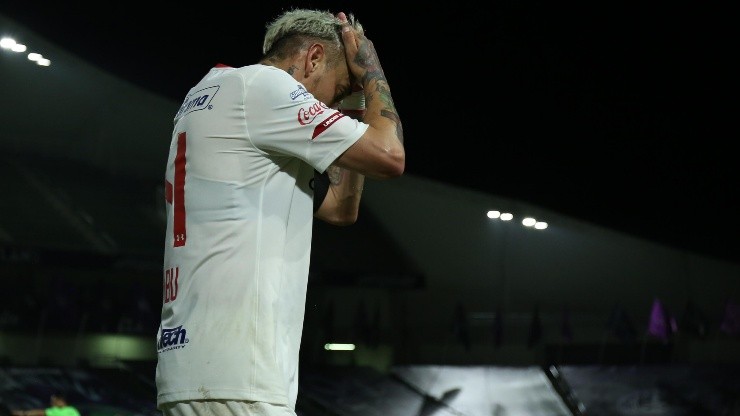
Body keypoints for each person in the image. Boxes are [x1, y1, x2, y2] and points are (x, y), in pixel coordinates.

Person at [155, 7, 405, 416]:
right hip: (239, 377)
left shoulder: (214, 90)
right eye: (339, 89)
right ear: (313, 59)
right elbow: (389, 155)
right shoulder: (265, 88)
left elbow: (341, 209)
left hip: (195, 373)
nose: (335, 106)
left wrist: (355, 100)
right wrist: (371, 71)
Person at [10, 393, 81, 416]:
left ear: (61, 401)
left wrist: (22, 413)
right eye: (52, 401)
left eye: (54, 401)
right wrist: (22, 413)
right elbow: (38, 412)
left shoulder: (72, 410)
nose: (52, 403)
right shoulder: (53, 410)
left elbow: (38, 412)